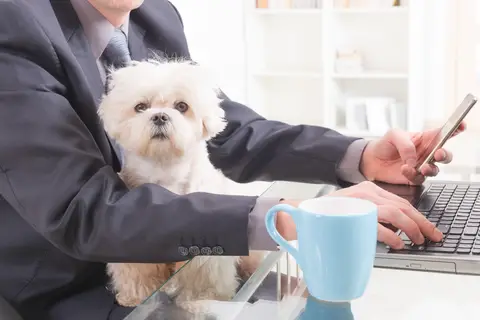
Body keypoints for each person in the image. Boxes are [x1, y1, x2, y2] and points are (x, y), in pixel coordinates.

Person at [0, 0, 463, 319]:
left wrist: (357, 156)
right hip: (75, 281)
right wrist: (282, 219)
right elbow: (85, 210)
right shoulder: (14, 27)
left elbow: (225, 128)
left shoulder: (152, 15)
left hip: (184, 261)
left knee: (327, 299)